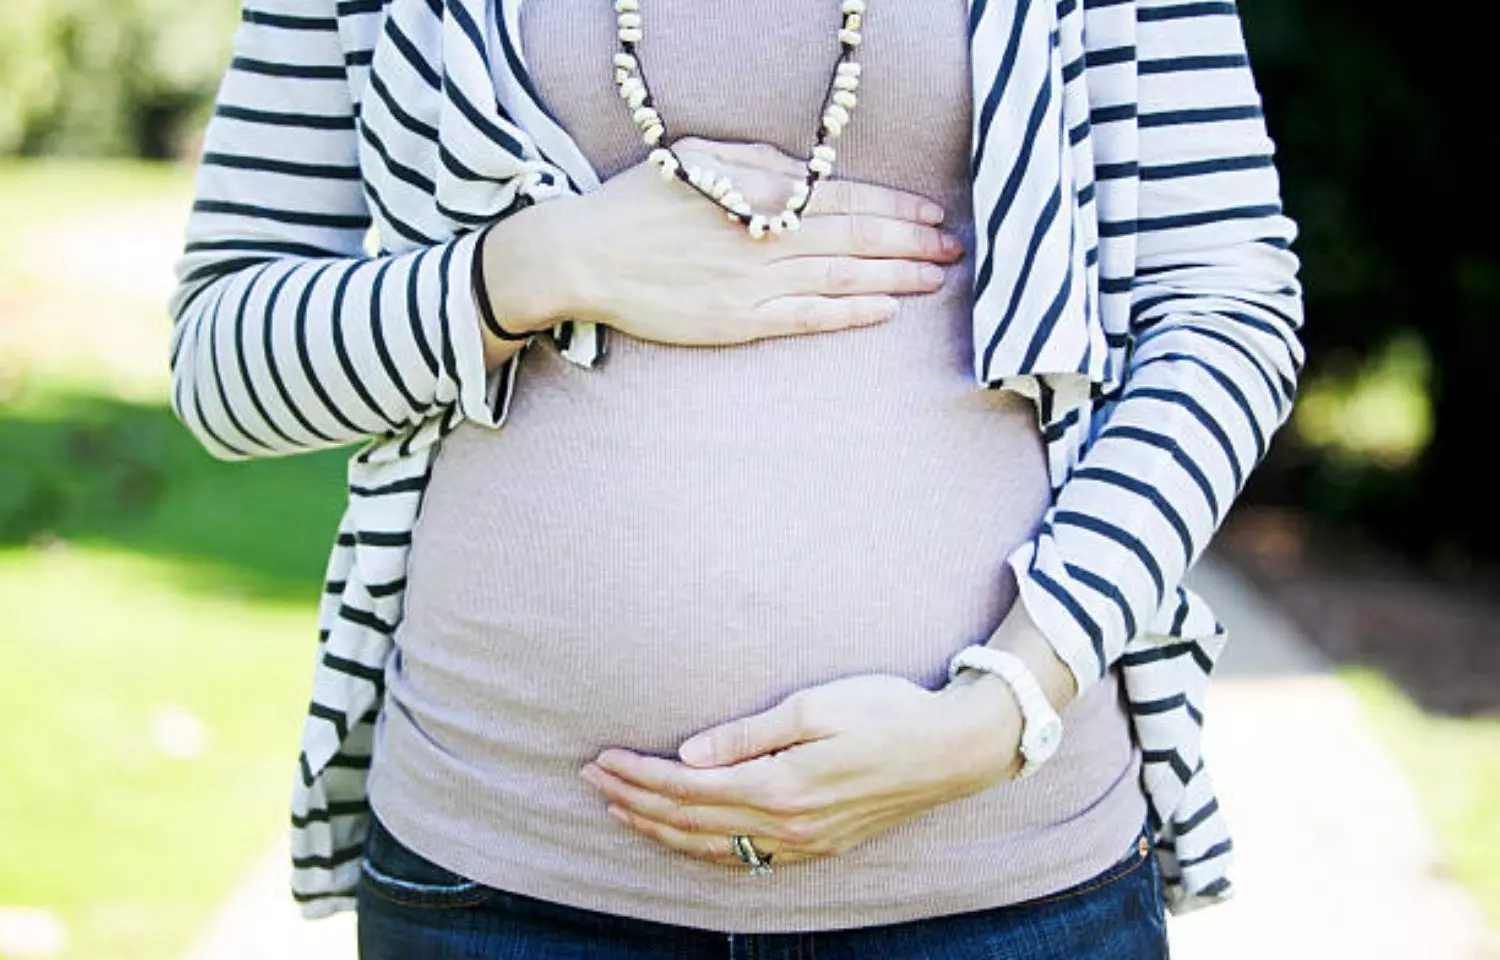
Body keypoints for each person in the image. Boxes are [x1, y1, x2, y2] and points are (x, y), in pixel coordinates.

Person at [167, 0, 1303, 956]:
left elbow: (1224, 311)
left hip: (1000, 884)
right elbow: (222, 365)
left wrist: (1003, 708)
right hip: (501, 882)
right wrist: (539, 265)